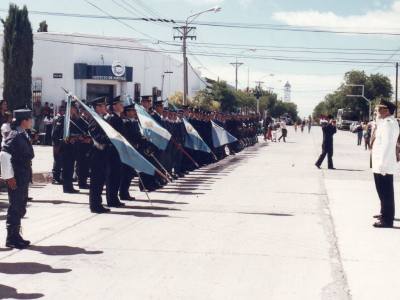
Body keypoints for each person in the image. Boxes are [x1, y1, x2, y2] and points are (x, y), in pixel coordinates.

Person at [0, 109, 34, 249]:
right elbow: (3, 155)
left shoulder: (22, 134)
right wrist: (8, 177)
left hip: (23, 175)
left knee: (20, 206)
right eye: (30, 119)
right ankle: (11, 238)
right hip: (17, 177)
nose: (31, 121)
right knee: (15, 207)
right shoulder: (14, 135)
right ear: (24, 121)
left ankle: (16, 235)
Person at [371, 100, 399, 228]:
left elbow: (388, 145)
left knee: (385, 192)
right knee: (382, 191)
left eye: (379, 109)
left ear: (386, 110)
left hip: (384, 164)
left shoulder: (389, 123)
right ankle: (385, 213)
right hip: (381, 163)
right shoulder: (384, 122)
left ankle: (387, 220)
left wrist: (383, 163)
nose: (377, 111)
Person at [88, 96, 111, 213]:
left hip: (103, 154)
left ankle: (98, 203)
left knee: (101, 180)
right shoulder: (94, 120)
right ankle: (95, 205)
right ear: (97, 107)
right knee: (96, 181)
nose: (105, 107)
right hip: (97, 154)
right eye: (103, 106)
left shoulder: (102, 119)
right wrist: (110, 138)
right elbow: (96, 136)